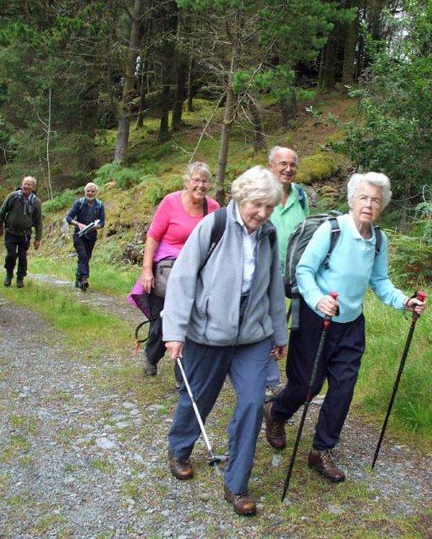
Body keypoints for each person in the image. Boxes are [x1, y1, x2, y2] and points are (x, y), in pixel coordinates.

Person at [263, 172, 427, 483]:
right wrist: (318, 299)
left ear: (383, 206)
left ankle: (321, 450)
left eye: (376, 200)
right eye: (364, 198)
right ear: (352, 200)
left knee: (343, 388)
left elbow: (379, 282)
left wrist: (404, 302)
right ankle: (275, 413)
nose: (369, 204)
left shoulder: (379, 240)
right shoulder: (332, 230)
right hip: (313, 317)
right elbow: (304, 270)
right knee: (307, 386)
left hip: (351, 324)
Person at [163, 166, 288, 516]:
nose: (262, 214)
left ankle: (236, 484)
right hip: (208, 333)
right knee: (198, 396)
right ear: (240, 196)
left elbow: (273, 288)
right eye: (257, 205)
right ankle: (180, 448)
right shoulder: (213, 225)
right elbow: (183, 279)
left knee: (251, 404)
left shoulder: (269, 234)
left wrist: (279, 334)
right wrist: (174, 333)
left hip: (252, 338)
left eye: (269, 207)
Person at [139, 162, 219, 383]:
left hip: (199, 272)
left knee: (192, 320)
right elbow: (153, 236)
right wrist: (147, 270)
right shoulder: (170, 202)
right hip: (168, 270)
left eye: (204, 181)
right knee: (163, 319)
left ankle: (182, 375)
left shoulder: (213, 208)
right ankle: (151, 355)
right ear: (186, 182)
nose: (200, 185)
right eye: (196, 180)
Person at [266, 145, 309, 400]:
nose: (288, 169)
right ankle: (269, 379)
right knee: (266, 325)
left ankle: (297, 382)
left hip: (295, 274)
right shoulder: (260, 194)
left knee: (298, 327)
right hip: (265, 273)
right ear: (270, 165)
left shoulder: (301, 197)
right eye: (283, 164)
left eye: (292, 164)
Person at [0, 176, 42, 288]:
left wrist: (38, 239)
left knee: (23, 257)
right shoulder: (13, 196)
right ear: (22, 184)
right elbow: (2, 212)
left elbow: (38, 221)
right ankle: (9, 274)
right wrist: (1, 227)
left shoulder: (36, 202)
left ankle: (20, 278)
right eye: (25, 183)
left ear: (33, 187)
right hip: (11, 232)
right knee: (11, 255)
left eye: (29, 184)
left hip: (25, 235)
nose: (26, 186)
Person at [66, 182, 105, 291]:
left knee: (86, 257)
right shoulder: (79, 203)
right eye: (88, 191)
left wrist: (96, 227)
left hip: (92, 235)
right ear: (85, 192)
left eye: (93, 191)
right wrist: (78, 224)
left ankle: (78, 279)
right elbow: (69, 218)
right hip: (79, 235)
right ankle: (84, 279)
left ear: (96, 193)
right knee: (83, 256)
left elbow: (102, 222)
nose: (90, 193)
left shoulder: (100, 205)